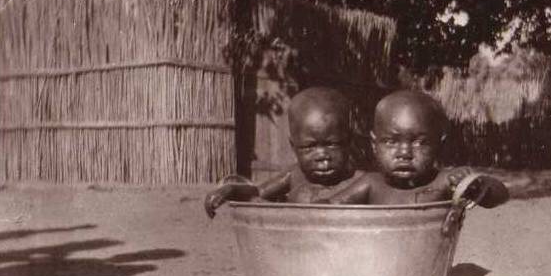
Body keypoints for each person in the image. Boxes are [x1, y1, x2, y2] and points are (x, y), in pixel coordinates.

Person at [320, 90, 509, 207]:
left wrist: (478, 184)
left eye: (419, 142)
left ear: (439, 144)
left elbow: (501, 196)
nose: (404, 153)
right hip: (373, 264)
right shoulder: (371, 183)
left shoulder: (443, 182)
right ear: (373, 144)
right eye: (391, 142)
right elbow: (327, 208)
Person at [203, 87, 361, 217]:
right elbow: (258, 192)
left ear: (349, 141)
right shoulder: (295, 176)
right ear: (294, 146)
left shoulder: (358, 182)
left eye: (332, 144)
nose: (321, 155)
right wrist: (232, 189)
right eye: (309, 147)